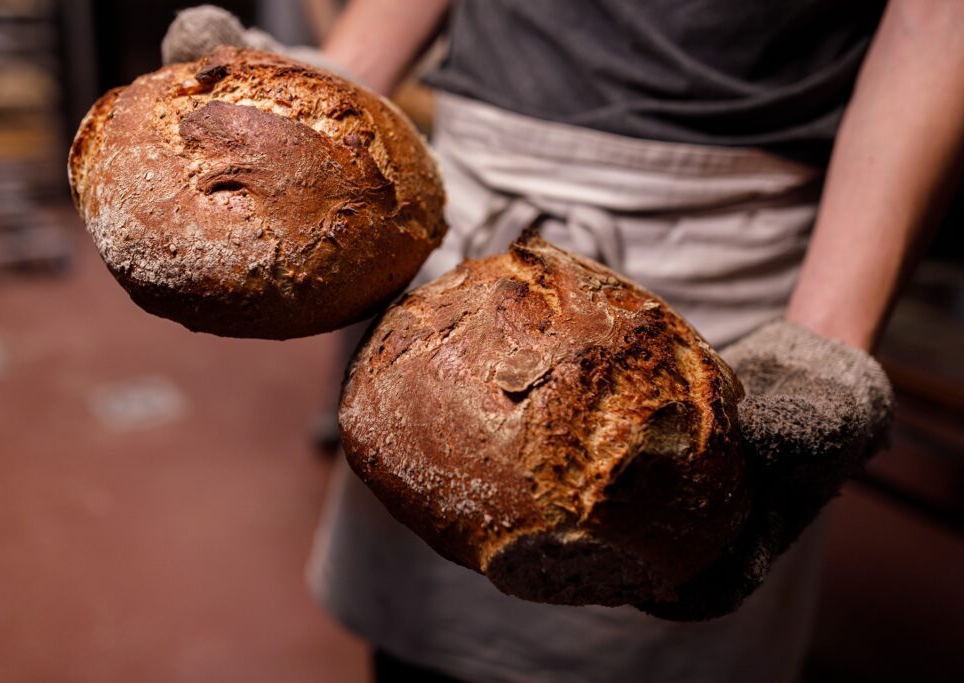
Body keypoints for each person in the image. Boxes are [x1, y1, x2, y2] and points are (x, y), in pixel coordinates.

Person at [163, 1, 964, 681]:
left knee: (662, 620)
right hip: (465, 244)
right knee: (424, 648)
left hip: (725, 251)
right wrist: (333, 84)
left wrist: (826, 333)